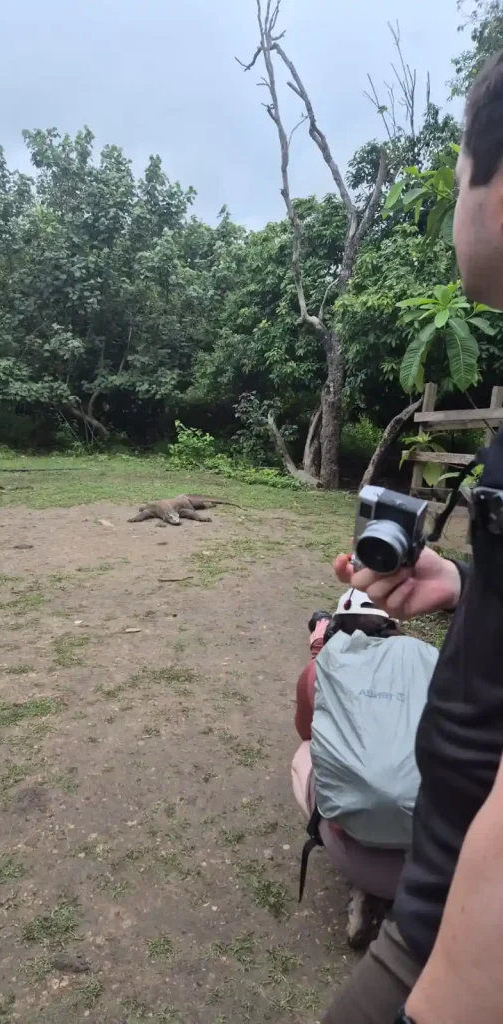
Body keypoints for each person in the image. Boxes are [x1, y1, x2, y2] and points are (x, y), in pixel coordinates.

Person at [322, 50, 503, 1024]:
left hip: (453, 929)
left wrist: (455, 991)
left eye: (459, 183)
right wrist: (470, 590)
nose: (453, 216)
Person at [292, 589, 435, 949]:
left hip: (355, 856)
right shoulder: (431, 659)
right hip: (440, 858)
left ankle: (367, 888)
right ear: (393, 626)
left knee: (307, 752)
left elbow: (305, 731)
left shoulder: (321, 667)